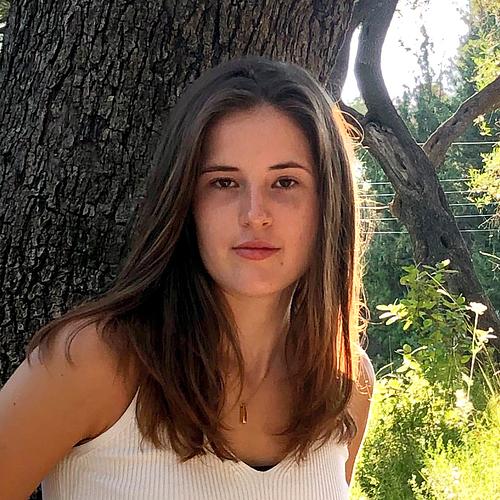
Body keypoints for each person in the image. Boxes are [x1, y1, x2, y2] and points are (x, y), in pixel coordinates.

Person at [0, 55, 375, 499]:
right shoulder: (95, 362)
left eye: (285, 183)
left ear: (328, 204)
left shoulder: (344, 383)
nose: (254, 215)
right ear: (185, 200)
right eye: (224, 182)